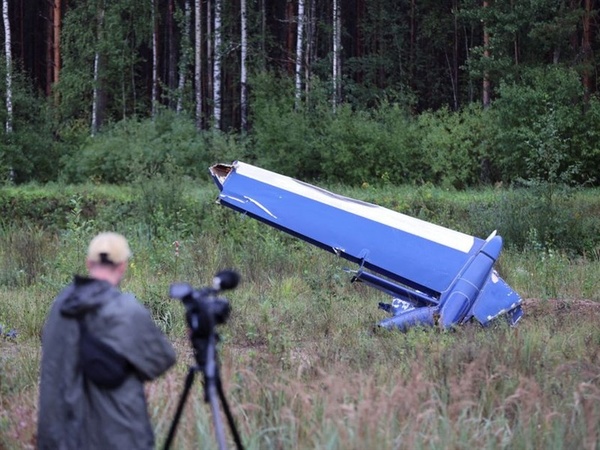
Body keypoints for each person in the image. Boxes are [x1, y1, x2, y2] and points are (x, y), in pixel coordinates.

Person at [37, 232, 176, 450]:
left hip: (60, 435)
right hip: (116, 435)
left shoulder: (59, 307)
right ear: (122, 266)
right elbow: (161, 360)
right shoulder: (126, 310)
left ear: (89, 263)